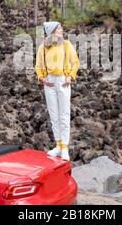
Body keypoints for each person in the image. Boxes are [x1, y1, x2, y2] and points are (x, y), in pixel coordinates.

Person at [35, 21, 80, 161]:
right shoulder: (43, 47)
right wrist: (42, 78)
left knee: (64, 115)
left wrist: (70, 77)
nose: (62, 30)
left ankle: (65, 147)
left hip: (63, 81)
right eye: (59, 28)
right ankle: (58, 145)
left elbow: (75, 62)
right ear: (52, 31)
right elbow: (38, 66)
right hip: (49, 82)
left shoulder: (66, 45)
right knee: (54, 116)